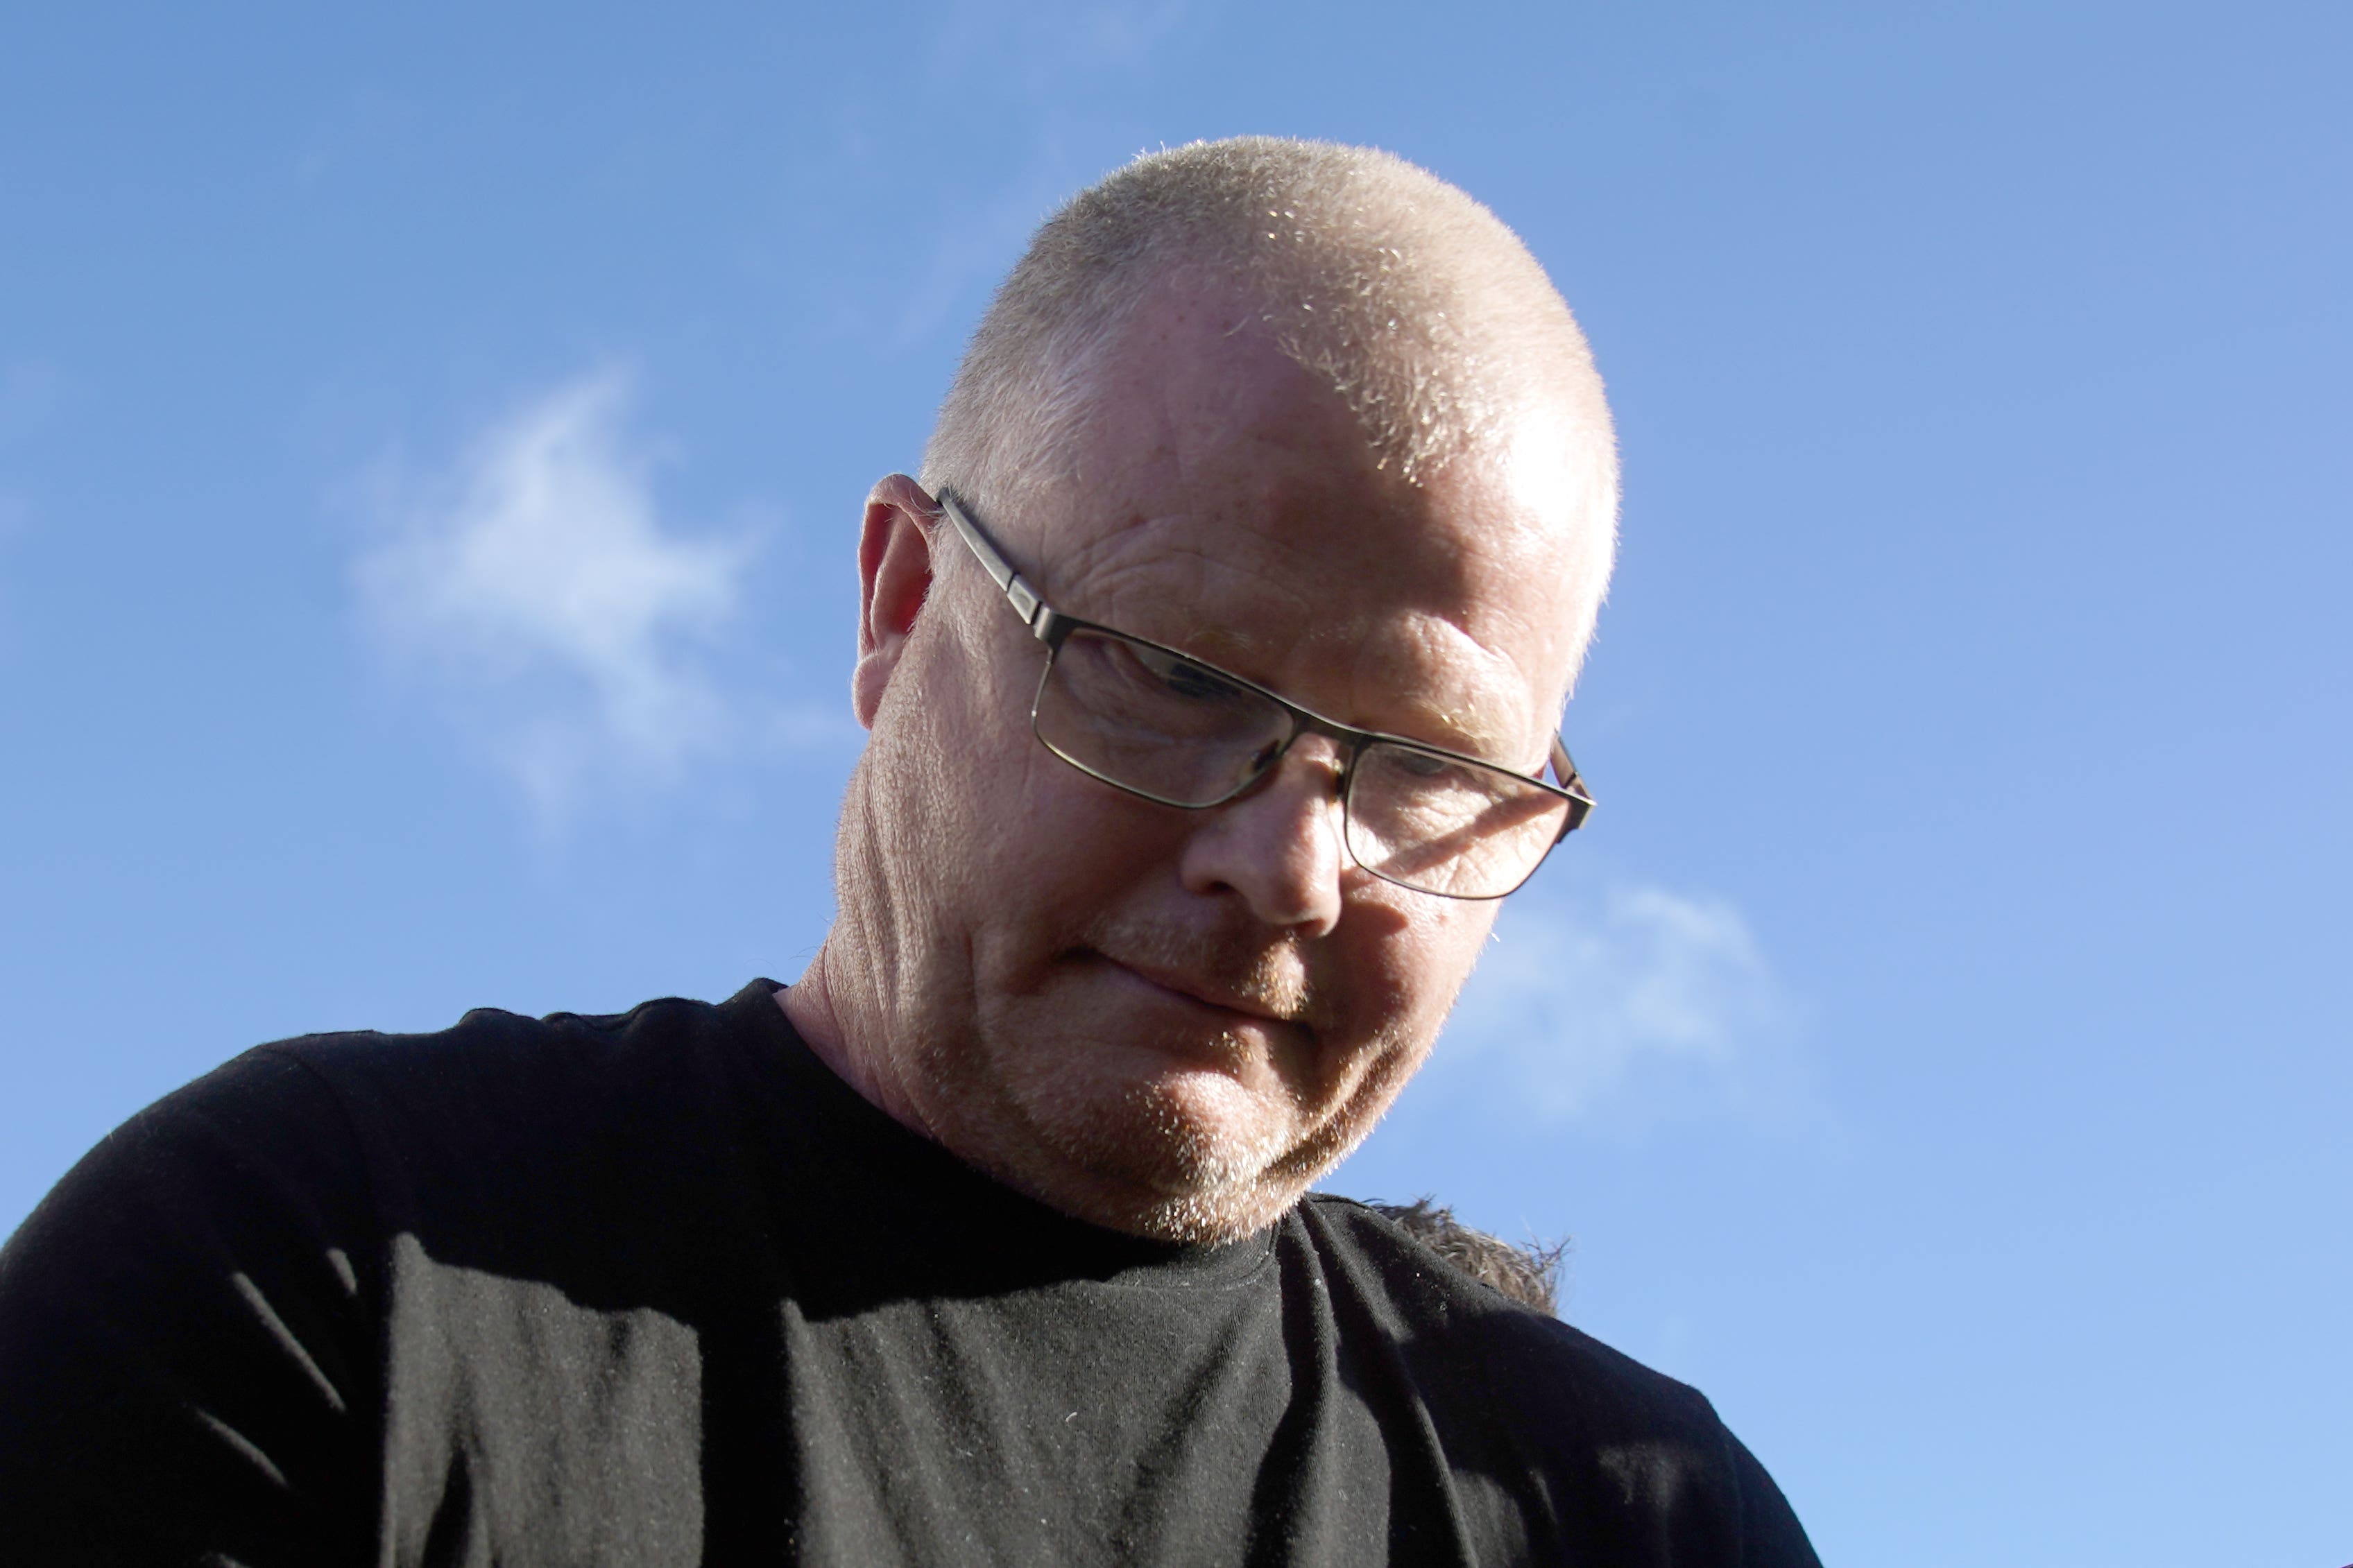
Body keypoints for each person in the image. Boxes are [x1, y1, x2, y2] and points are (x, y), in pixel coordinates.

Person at [0, 137, 1819, 1565]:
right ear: (899, 603)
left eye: (1428, 769)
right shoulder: (313, 1284)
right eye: (1183, 678)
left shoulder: (1625, 1520)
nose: (1290, 866)